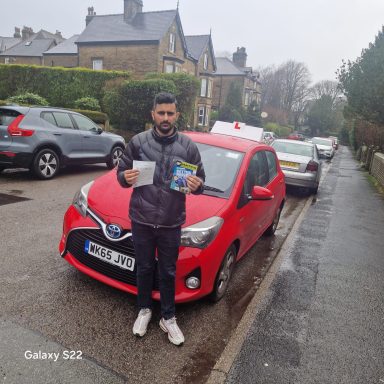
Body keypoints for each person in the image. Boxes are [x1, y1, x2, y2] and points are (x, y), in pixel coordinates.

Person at [117, 92, 205, 346]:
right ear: (153, 114)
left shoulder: (188, 146)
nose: (165, 118)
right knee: (144, 268)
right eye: (161, 113)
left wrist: (197, 184)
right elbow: (120, 173)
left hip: (171, 221)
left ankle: (168, 317)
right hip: (142, 219)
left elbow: (199, 182)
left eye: (170, 113)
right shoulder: (138, 142)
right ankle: (144, 310)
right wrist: (126, 178)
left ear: (176, 115)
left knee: (167, 271)